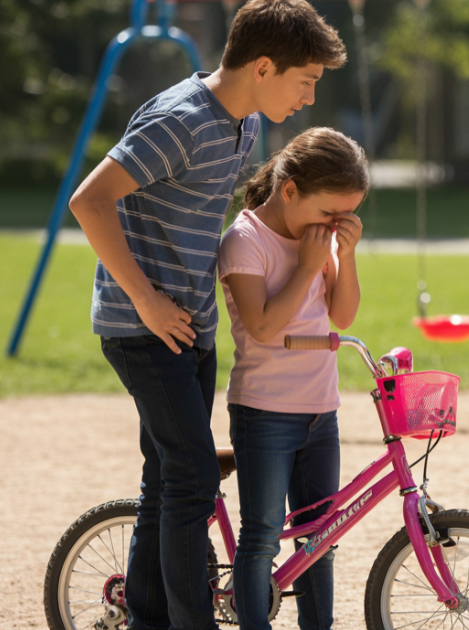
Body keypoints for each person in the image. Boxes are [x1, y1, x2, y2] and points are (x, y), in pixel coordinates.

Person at [67, 2, 347, 627]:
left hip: (191, 325)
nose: (307, 97)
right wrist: (144, 297)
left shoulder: (245, 125)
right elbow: (90, 202)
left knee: (167, 481)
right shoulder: (181, 119)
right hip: (142, 326)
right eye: (305, 81)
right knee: (194, 478)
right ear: (265, 65)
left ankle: (147, 616)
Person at [219, 127, 365, 629]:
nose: (336, 223)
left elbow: (342, 316)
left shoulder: (316, 239)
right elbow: (261, 327)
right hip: (265, 413)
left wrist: (344, 256)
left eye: (347, 215)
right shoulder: (245, 240)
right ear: (290, 191)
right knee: (260, 537)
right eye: (330, 213)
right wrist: (306, 268)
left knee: (319, 537)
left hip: (321, 410)